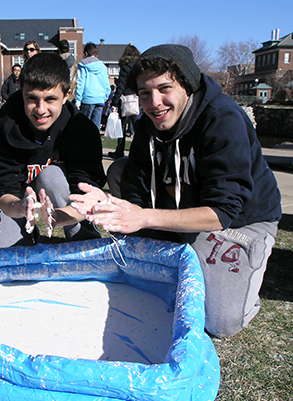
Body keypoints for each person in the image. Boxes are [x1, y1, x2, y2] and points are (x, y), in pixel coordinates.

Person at [69, 44, 282, 338]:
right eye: (145, 93)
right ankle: (175, 248)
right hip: (183, 205)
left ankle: (250, 261)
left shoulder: (223, 121)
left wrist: (143, 218)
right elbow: (138, 189)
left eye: (164, 88)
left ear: (187, 85)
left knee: (219, 322)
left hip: (237, 221)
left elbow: (223, 211)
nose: (155, 102)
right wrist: (108, 201)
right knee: (120, 168)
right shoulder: (147, 125)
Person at [0, 52, 106, 249]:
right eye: (32, 98)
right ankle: (26, 233)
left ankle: (83, 235)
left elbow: (89, 193)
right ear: (21, 92)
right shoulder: (1, 129)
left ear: (66, 95)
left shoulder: (81, 130)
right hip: (16, 199)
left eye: (50, 99)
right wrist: (22, 208)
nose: (40, 109)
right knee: (4, 253)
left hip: (67, 201)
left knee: (52, 177)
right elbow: (2, 191)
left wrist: (59, 218)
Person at [108, 43, 142, 159]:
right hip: (139, 100)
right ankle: (138, 152)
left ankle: (119, 151)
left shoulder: (125, 68)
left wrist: (115, 102)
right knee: (139, 128)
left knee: (121, 128)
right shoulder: (140, 67)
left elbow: (121, 86)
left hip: (126, 100)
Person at [75, 42, 111, 130]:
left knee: (83, 127)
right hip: (99, 99)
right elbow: (107, 85)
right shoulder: (103, 67)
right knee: (96, 127)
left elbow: (80, 83)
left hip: (87, 98)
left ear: (86, 53)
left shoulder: (83, 65)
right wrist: (104, 97)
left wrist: (78, 100)